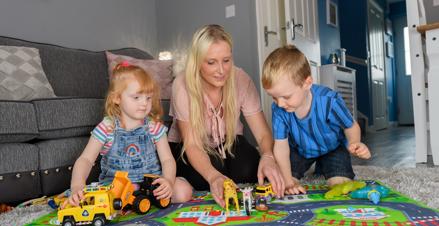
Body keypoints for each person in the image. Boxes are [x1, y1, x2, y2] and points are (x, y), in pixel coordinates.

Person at [168, 24, 285, 207]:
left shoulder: (241, 79)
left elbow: (262, 134)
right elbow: (191, 144)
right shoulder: (182, 84)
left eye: (226, 60)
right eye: (211, 62)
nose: (221, 70)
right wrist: (213, 176)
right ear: (198, 62)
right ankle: (215, 176)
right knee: (207, 174)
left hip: (227, 141)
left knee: (249, 168)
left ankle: (223, 172)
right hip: (191, 146)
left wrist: (268, 156)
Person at [67, 62, 192, 206]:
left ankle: (143, 200)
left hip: (150, 185)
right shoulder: (107, 127)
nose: (144, 103)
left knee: (183, 191)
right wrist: (77, 184)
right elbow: (86, 160)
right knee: (95, 201)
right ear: (117, 98)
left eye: (148, 98)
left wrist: (168, 181)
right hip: (116, 187)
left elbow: (167, 160)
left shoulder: (153, 128)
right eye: (136, 97)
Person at [261, 45, 371, 195]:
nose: (280, 103)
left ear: (307, 83)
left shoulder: (329, 100)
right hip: (299, 150)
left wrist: (355, 143)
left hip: (332, 148)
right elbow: (280, 147)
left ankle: (325, 166)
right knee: (283, 182)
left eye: (286, 97)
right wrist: (288, 182)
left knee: (340, 184)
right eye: (274, 97)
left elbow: (350, 126)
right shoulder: (279, 109)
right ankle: (304, 171)